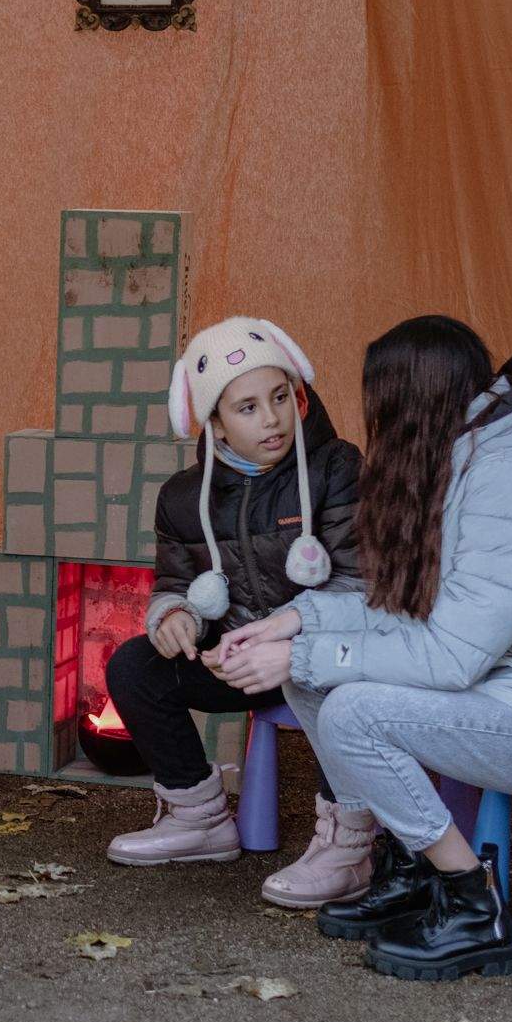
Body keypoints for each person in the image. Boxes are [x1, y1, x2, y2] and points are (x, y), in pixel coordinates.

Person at [211, 316, 512, 982]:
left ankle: (473, 901)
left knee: (350, 709)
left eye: (382, 403)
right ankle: (409, 861)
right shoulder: (471, 461)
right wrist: (297, 621)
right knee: (312, 680)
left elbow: (451, 655)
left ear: (411, 403)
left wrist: (302, 654)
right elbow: (412, 606)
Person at [103, 318, 367, 909]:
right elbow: (176, 584)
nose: (271, 420)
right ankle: (198, 818)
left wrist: (287, 643)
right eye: (247, 408)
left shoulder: (335, 469)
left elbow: (359, 585)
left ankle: (350, 842)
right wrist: (177, 619)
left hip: (320, 650)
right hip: (237, 661)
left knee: (334, 674)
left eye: (280, 398)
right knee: (134, 667)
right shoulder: (180, 498)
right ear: (214, 423)